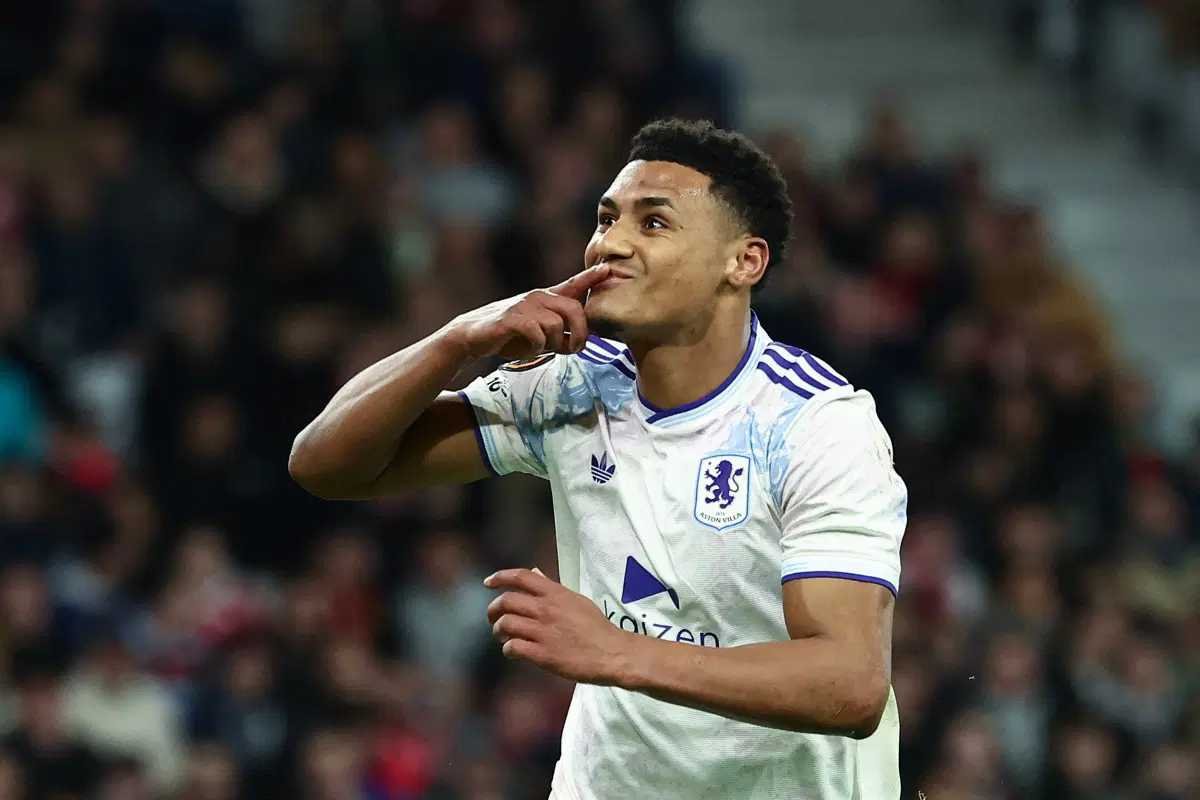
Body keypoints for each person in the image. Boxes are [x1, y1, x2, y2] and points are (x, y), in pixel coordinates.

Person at [290, 119, 907, 799]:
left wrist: (618, 651)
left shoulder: (815, 425)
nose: (609, 243)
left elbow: (851, 684)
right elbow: (325, 464)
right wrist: (457, 342)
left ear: (744, 262)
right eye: (607, 218)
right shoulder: (573, 383)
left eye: (653, 223)